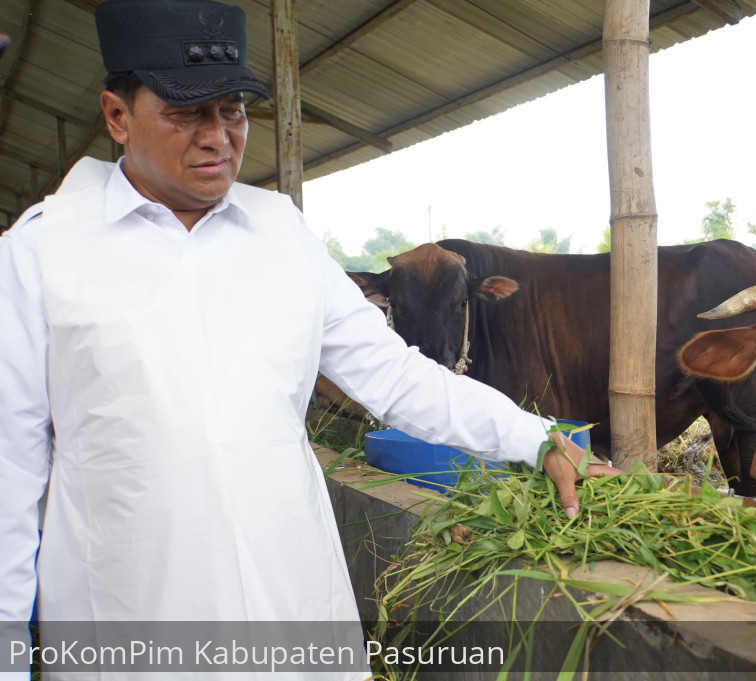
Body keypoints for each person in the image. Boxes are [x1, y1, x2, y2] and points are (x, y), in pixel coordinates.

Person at [0, 1, 617, 678]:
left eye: (232, 111)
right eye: (186, 113)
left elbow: (396, 376)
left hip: (288, 607)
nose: (217, 137)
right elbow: (10, 475)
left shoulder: (281, 235)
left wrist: (534, 438)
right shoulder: (44, 252)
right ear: (117, 116)